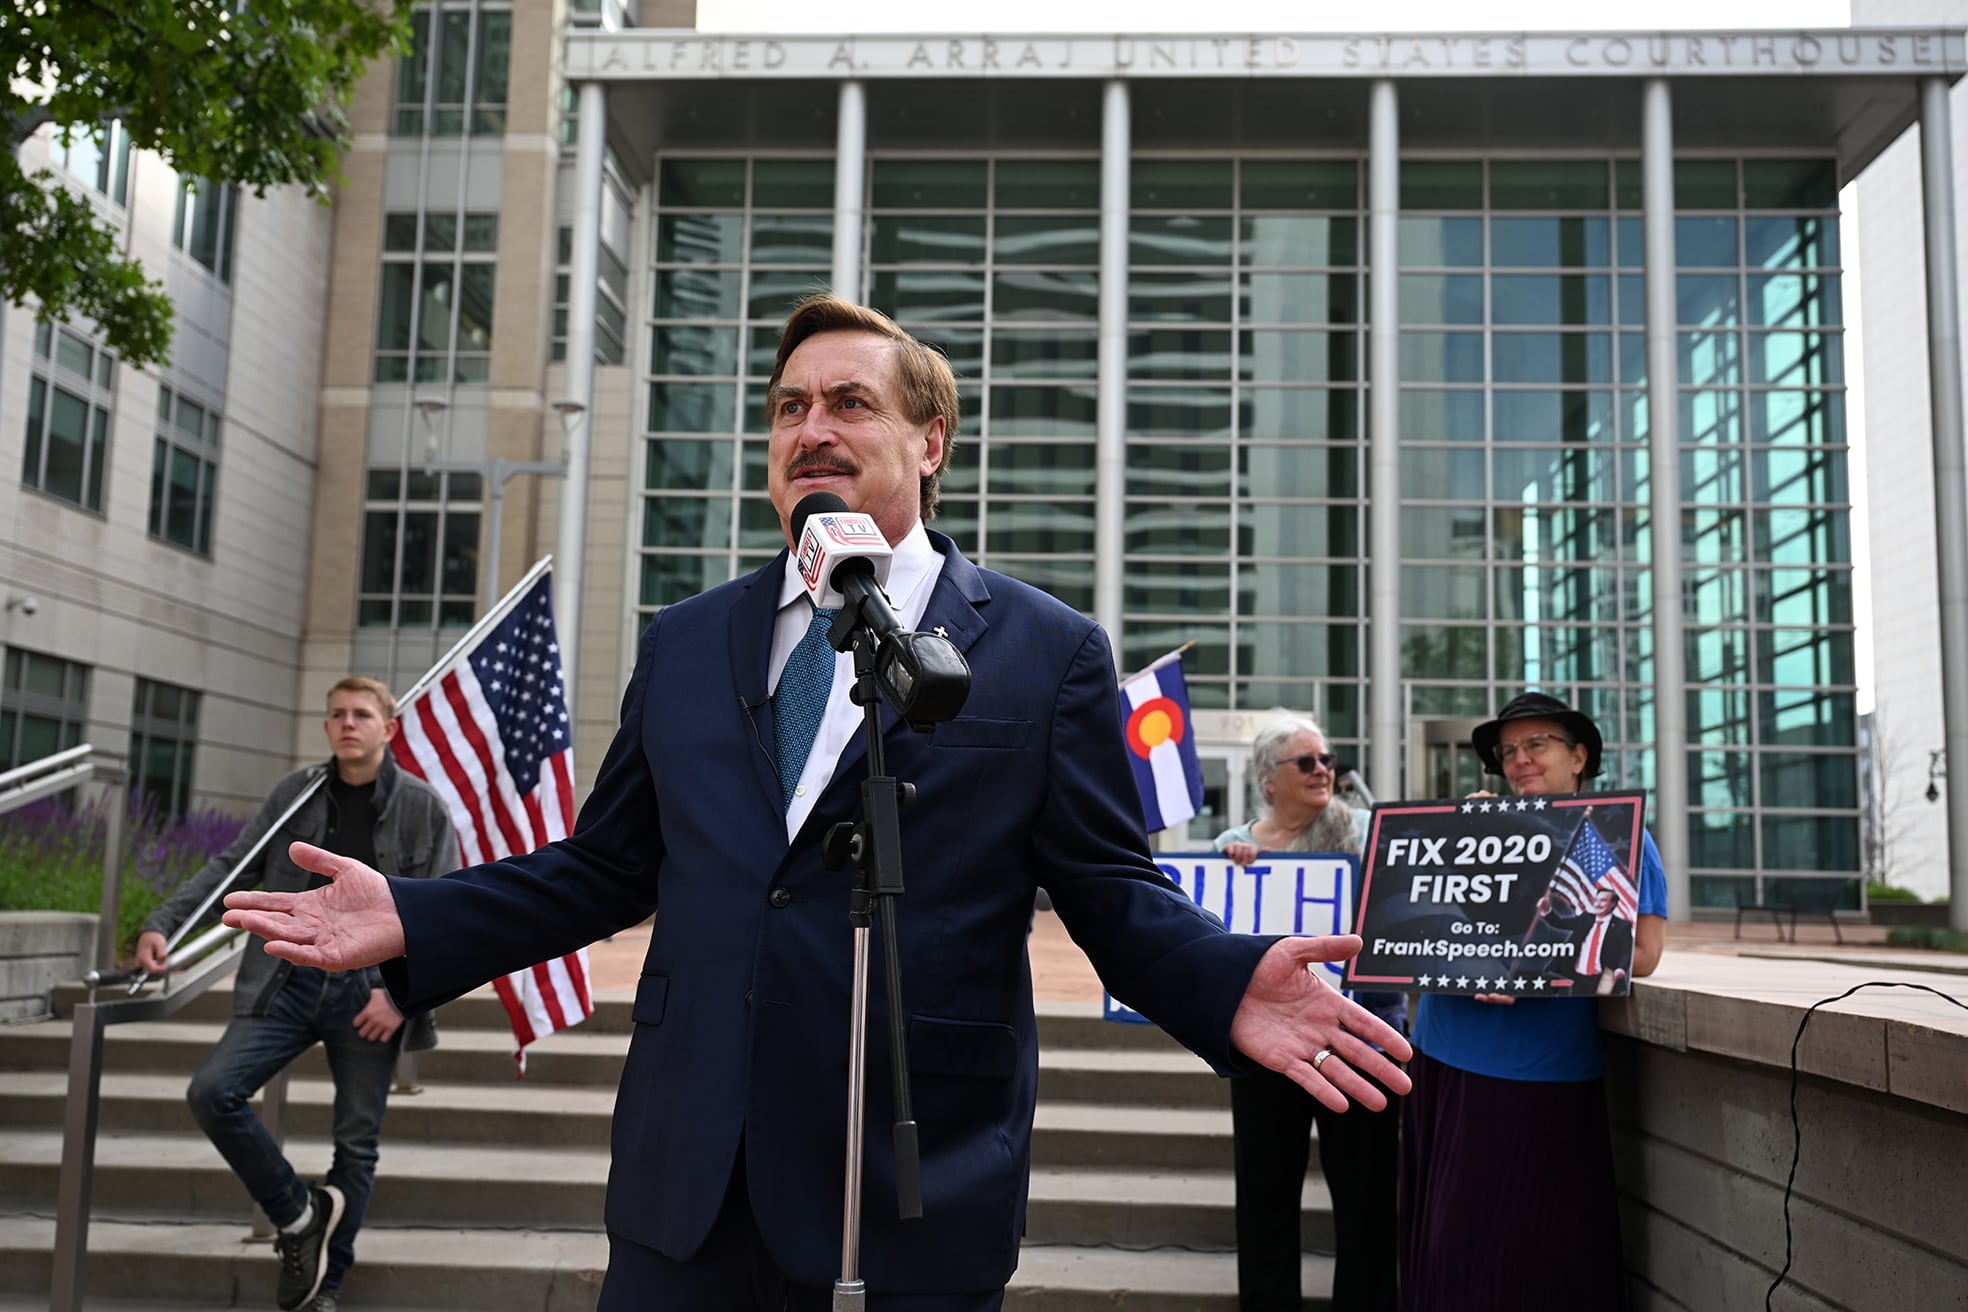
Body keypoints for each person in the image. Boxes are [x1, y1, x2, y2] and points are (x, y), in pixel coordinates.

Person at [221, 294, 1414, 1311]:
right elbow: (605, 866)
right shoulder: (688, 643)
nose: (813, 428)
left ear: (930, 440)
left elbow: (1107, 886)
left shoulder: (1047, 652)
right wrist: (419, 919)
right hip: (688, 1181)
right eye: (791, 407)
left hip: (910, 1177)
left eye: (851, 403)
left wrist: (1223, 977)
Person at [137, 678, 457, 1312]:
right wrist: (162, 923)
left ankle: (322, 1288)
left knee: (356, 1142)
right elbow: (233, 863)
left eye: (362, 714)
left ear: (388, 729)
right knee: (212, 1090)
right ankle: (298, 1217)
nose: (347, 724)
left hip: (373, 992)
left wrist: (403, 1001)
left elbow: (448, 917)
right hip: (287, 979)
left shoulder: (423, 806)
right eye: (336, 714)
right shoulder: (297, 794)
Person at [1396, 692, 1667, 1312]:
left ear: (1579, 757)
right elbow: (1421, 928)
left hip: (1534, 1069)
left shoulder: (1611, 834)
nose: (1519, 759)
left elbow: (1645, 951)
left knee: (1524, 1253)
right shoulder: (1474, 822)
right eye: (1509, 750)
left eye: (1536, 745)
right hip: (1439, 1054)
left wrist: (1541, 967)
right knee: (1441, 1250)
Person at [1216, 714, 1402, 1312]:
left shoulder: (1365, 835)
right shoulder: (1231, 850)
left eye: (1327, 760)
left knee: (1368, 1202)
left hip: (1359, 1041)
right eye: (1307, 762)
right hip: (1269, 1050)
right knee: (1266, 1196)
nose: (1324, 770)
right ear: (1270, 780)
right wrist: (1232, 868)